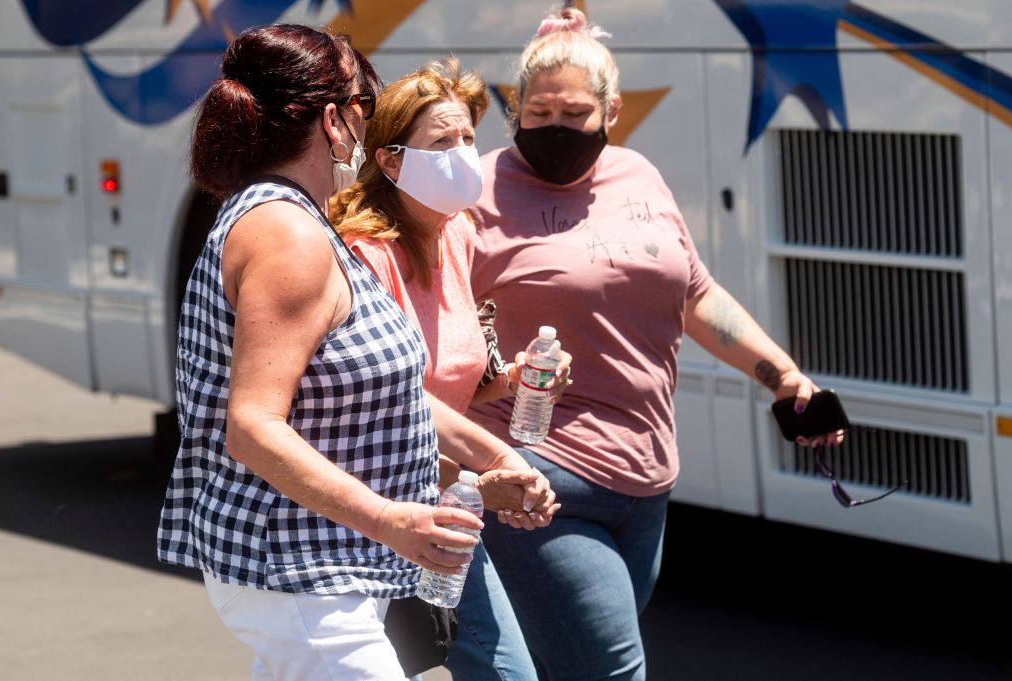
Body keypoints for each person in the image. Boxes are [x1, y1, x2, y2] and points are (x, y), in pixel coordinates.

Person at [156, 25, 549, 681]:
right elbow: (252, 426)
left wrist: (497, 457)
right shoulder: (288, 235)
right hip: (297, 570)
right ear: (334, 122)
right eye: (366, 103)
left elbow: (390, 392)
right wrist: (390, 519)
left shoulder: (300, 220)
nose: (369, 124)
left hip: (326, 567)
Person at [466, 8, 841, 681]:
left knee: (570, 665)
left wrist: (783, 375)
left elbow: (696, 294)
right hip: (539, 478)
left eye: (575, 113)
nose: (555, 126)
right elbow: (440, 323)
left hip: (646, 478)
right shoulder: (479, 193)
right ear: (515, 108)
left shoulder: (637, 175)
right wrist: (489, 392)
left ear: (611, 112)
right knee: (611, 670)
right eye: (539, 111)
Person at [329, 57, 567, 681]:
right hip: (372, 515)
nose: (463, 153)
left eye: (467, 136)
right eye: (442, 142)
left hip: (443, 506)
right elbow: (386, 401)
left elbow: (453, 379)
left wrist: (514, 379)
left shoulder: (455, 234)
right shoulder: (364, 254)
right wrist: (482, 478)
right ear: (391, 162)